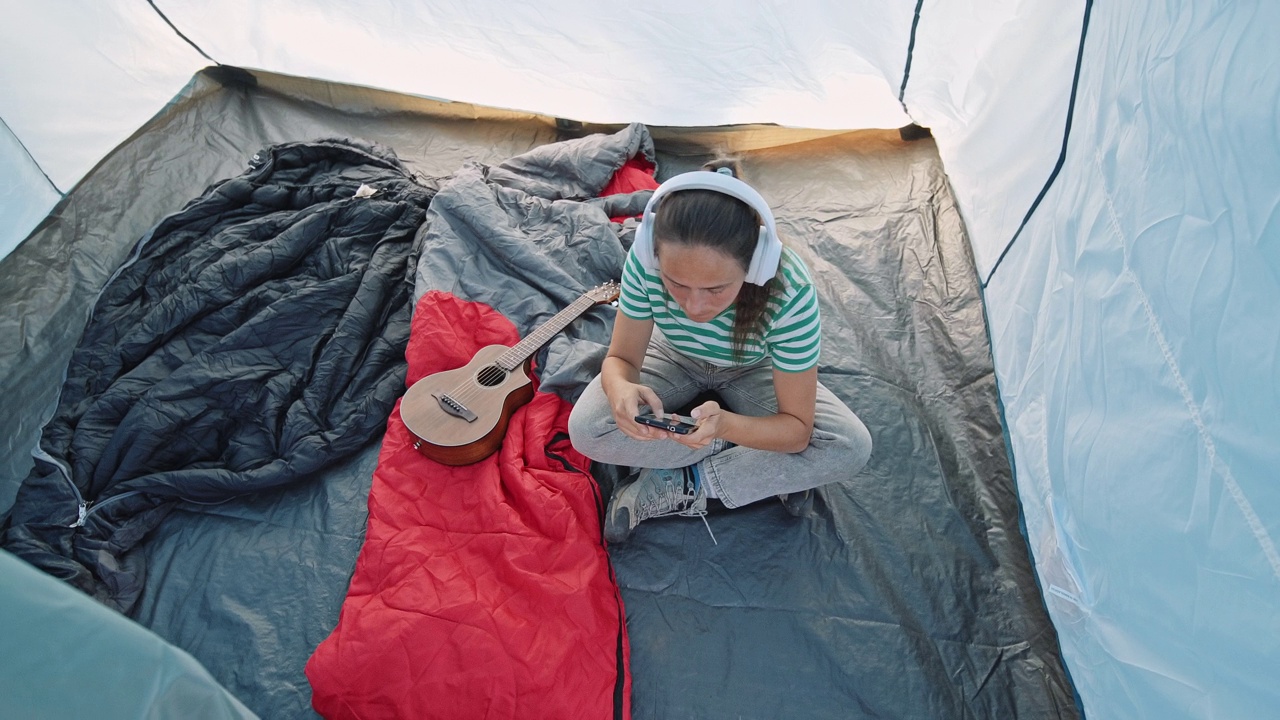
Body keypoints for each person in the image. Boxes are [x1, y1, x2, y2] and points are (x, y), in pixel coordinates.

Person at [568, 160, 873, 543]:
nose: (693, 308)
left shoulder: (789, 289)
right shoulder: (643, 264)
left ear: (756, 267)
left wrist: (726, 425)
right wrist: (620, 389)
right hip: (673, 355)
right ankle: (764, 470)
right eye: (675, 284)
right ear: (652, 254)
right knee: (587, 429)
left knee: (848, 446)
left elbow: (797, 430)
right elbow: (620, 360)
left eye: (716, 290)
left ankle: (684, 481)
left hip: (754, 368)